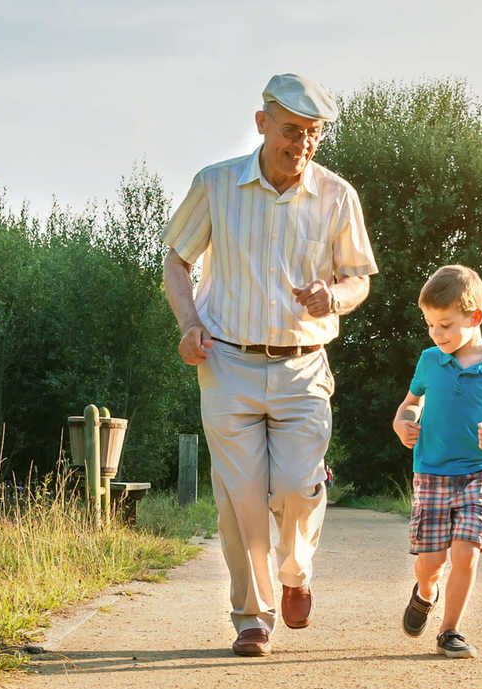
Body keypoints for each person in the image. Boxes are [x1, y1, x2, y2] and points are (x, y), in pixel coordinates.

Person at [162, 73, 378, 657]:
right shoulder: (215, 185)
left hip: (303, 366)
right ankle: (252, 617)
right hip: (227, 361)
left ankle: (296, 572)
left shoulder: (337, 196)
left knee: (297, 488)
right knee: (241, 497)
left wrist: (334, 297)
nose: (301, 145)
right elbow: (177, 262)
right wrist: (188, 325)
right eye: (291, 132)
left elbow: (358, 277)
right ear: (262, 123)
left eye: (312, 135)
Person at [392, 265, 482, 658]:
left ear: (475, 317)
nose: (438, 334)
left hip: (477, 473)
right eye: (431, 325)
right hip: (431, 472)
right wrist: (404, 424)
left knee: (467, 551)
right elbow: (409, 404)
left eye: (446, 325)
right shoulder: (429, 361)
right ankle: (425, 593)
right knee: (430, 562)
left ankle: (450, 630)